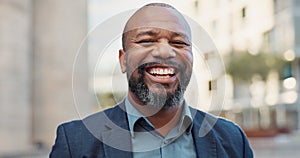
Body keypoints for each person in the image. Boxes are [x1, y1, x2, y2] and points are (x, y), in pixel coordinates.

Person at [50, 3, 253, 158]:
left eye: (179, 43)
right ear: (123, 60)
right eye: (146, 40)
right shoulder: (75, 142)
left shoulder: (233, 140)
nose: (165, 51)